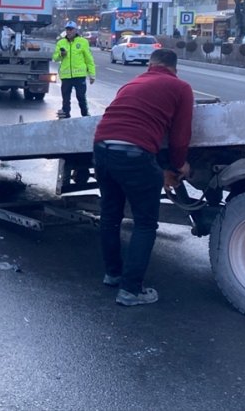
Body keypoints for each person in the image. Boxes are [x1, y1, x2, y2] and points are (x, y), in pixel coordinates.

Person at [93, 48, 193, 307]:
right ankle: (131, 290)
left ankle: (113, 274)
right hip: (134, 154)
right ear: (175, 68)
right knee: (145, 223)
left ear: (150, 65)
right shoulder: (180, 87)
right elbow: (180, 136)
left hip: (102, 148)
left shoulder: (131, 83)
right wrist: (178, 165)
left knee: (111, 215)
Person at [51, 20, 95, 118]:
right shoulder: (61, 42)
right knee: (65, 99)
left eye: (71, 29)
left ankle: (85, 115)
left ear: (75, 30)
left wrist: (92, 75)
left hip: (79, 76)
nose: (69, 31)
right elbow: (55, 58)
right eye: (67, 29)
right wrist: (61, 55)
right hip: (66, 76)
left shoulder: (83, 42)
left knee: (81, 97)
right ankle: (66, 116)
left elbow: (89, 59)